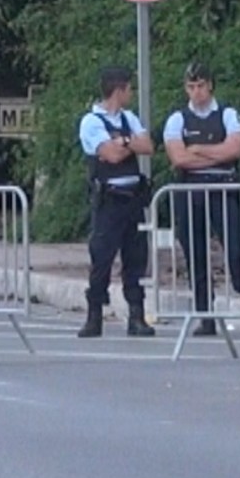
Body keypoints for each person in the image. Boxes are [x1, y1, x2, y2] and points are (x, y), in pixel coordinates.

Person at [161, 63, 240, 338]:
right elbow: (179, 158)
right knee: (195, 255)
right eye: (191, 86)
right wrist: (214, 153)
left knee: (235, 252)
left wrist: (198, 149)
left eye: (200, 85)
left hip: (223, 187)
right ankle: (204, 315)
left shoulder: (228, 114)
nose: (196, 92)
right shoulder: (177, 119)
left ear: (210, 85)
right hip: (190, 190)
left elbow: (234, 150)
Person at [77, 64, 157, 338]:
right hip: (109, 200)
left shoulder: (129, 118)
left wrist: (120, 141)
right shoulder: (91, 122)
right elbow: (109, 156)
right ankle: (94, 315)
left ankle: (136, 316)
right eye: (128, 88)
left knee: (136, 259)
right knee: (102, 258)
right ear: (118, 90)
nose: (131, 93)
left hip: (133, 199)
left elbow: (147, 146)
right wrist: (127, 143)